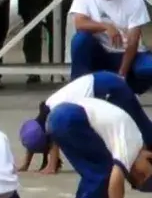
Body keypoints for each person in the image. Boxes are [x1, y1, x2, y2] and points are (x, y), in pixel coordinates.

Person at [46, 98, 152, 198]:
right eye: (142, 175)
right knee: (103, 168)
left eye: (134, 181)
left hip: (58, 116)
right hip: (72, 116)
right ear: (149, 156)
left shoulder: (129, 142)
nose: (133, 174)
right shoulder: (134, 142)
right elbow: (116, 180)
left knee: (91, 170)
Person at [17, 71, 152, 174]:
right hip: (104, 81)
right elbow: (36, 137)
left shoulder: (51, 115)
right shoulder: (44, 113)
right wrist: (25, 165)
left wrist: (51, 166)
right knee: (141, 124)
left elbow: (53, 140)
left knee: (140, 126)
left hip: (108, 87)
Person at [69, 0, 152, 94]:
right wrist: (106, 26)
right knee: (80, 40)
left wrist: (122, 73)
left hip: (128, 54)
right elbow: (79, 23)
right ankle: (79, 89)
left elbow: (133, 41)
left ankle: (127, 87)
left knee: (147, 69)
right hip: (101, 52)